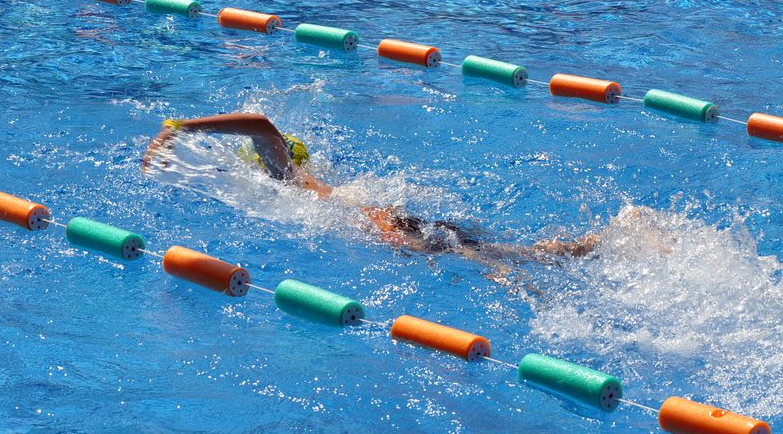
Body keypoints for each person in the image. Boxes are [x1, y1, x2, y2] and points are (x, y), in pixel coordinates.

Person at [141, 113, 599, 268]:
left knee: (482, 259)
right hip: (378, 213)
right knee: (492, 249)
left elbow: (260, 124)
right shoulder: (309, 179)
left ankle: (548, 262)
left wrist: (180, 127)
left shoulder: (286, 178)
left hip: (375, 221)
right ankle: (573, 248)